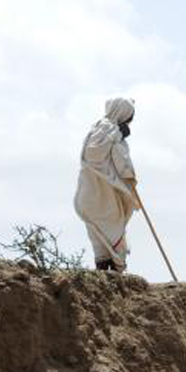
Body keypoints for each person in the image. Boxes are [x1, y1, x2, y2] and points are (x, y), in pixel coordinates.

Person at [72, 98, 138, 271]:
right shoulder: (107, 128)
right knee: (113, 231)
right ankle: (115, 281)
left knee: (102, 236)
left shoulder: (104, 129)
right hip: (99, 193)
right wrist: (118, 134)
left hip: (96, 193)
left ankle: (106, 281)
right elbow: (94, 155)